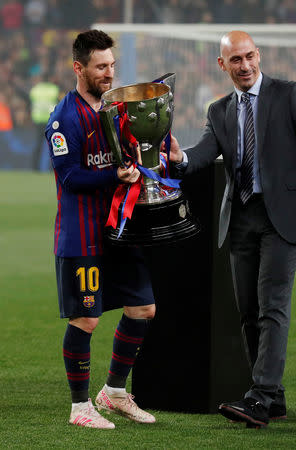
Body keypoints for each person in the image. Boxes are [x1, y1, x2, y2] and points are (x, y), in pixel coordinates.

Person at [168, 30, 296, 429]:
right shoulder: (219, 110)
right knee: (248, 313)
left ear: (258, 55)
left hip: (285, 218)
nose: (245, 65)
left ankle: (260, 398)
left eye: (250, 56)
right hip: (241, 218)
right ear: (222, 65)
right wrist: (179, 157)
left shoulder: (290, 95)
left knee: (272, 309)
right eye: (236, 60)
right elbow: (202, 154)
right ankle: (275, 399)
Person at [45, 30, 156, 429]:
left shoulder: (117, 108)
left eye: (112, 65)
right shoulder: (63, 118)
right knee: (86, 319)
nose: (110, 73)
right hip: (83, 235)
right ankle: (79, 407)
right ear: (79, 68)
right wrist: (116, 174)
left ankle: (113, 393)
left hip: (120, 229)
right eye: (101, 66)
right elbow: (71, 177)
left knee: (143, 309)